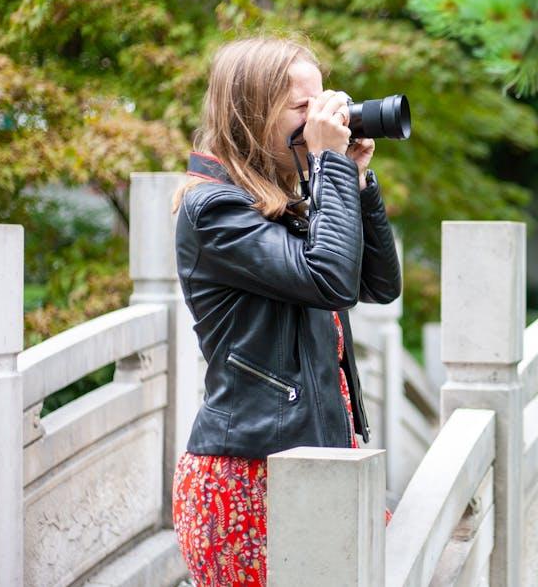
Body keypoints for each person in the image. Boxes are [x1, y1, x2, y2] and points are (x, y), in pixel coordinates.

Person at [168, 35, 402, 586]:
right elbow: (328, 280)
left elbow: (377, 283)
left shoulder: (277, 204)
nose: (320, 118)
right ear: (252, 114)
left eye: (321, 102)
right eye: (303, 107)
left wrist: (357, 176)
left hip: (312, 464)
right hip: (249, 482)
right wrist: (328, 165)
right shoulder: (214, 208)